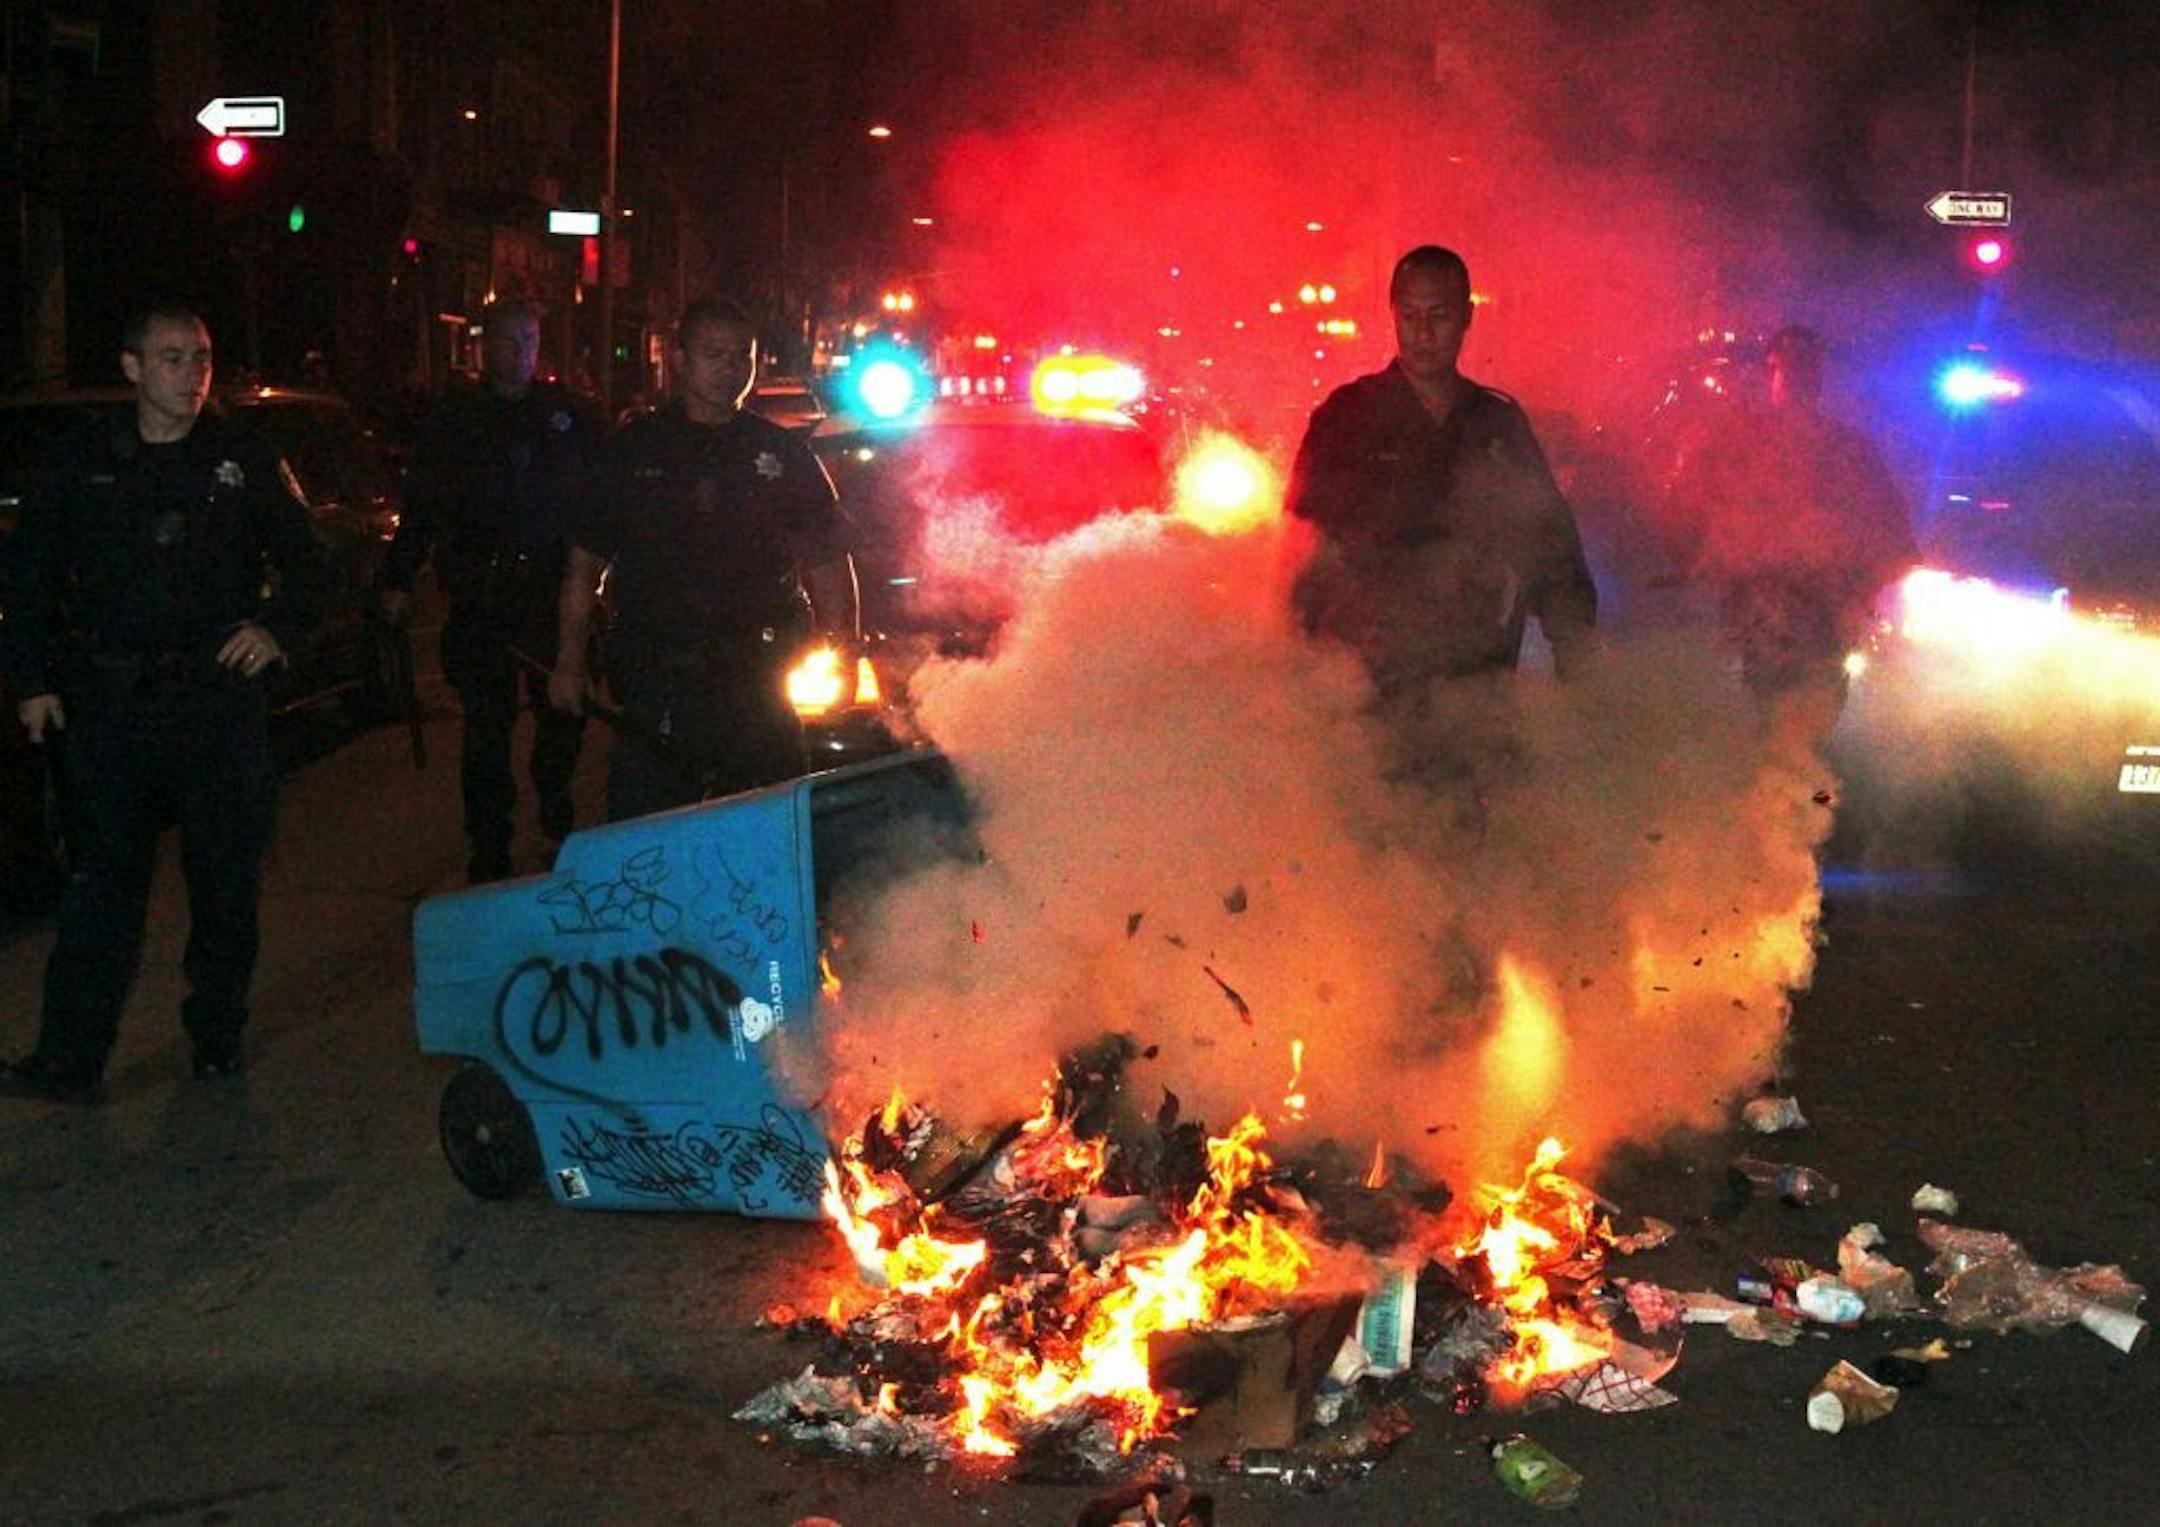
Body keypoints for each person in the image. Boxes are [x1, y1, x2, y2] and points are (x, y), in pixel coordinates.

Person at [0, 303, 329, 1105]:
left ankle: (215, 1036)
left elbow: (311, 565)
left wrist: (274, 628)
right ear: (133, 368)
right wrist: (33, 680)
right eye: (174, 358)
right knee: (100, 889)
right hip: (113, 708)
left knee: (224, 885)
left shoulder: (241, 457)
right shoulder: (82, 460)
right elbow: (27, 576)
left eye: (202, 358)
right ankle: (69, 1058)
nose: (192, 374)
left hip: (214, 707)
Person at [547, 298, 850, 822]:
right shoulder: (633, 451)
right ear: (679, 359)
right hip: (660, 683)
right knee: (651, 843)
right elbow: (582, 570)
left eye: (742, 356)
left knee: (772, 831)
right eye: (714, 354)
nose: (730, 369)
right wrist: (569, 664)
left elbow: (825, 558)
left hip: (758, 679)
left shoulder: (782, 455)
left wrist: (842, 644)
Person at [1287, 244, 1598, 702]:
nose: (1423, 333)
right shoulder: (1347, 418)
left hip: (1475, 679)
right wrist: (1298, 671)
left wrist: (1578, 665)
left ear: (1466, 316)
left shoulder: (1496, 423)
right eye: (1409, 316)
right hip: (1367, 687)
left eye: (1439, 315)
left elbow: (1551, 547)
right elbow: (1304, 552)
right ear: (1393, 315)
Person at [377, 298, 600, 881]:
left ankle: (554, 803)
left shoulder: (567, 416)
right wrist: (398, 579)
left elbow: (599, 502)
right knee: (486, 728)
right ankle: (489, 842)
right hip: (483, 595)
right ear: (484, 347)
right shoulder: (454, 421)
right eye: (509, 340)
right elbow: (421, 507)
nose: (521, 352)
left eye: (530, 340)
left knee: (562, 714)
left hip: (550, 593)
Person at [1665, 325, 1916, 709]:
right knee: (1756, 705)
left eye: (1806, 369)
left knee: (1810, 705)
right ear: (1774, 373)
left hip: (1821, 606)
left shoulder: (1847, 448)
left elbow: (1888, 525)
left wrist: (1865, 587)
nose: (1798, 378)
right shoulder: (1738, 439)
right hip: (1757, 601)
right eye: (1791, 367)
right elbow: (1686, 506)